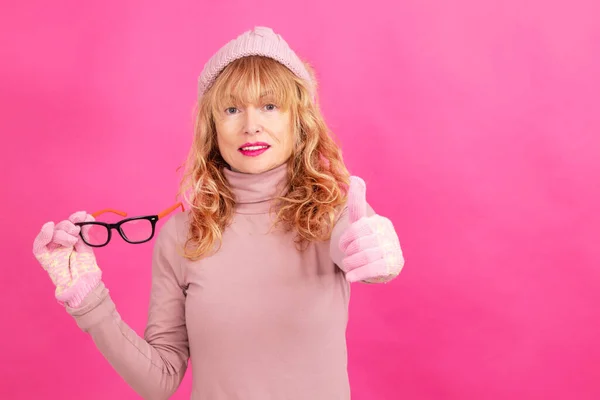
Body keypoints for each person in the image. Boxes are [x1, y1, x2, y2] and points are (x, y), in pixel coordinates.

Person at [32, 26, 405, 400]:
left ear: (299, 120)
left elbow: (365, 250)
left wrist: (379, 252)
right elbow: (158, 381)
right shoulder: (182, 234)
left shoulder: (334, 214)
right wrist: (88, 298)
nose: (251, 125)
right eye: (231, 109)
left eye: (270, 106)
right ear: (212, 127)